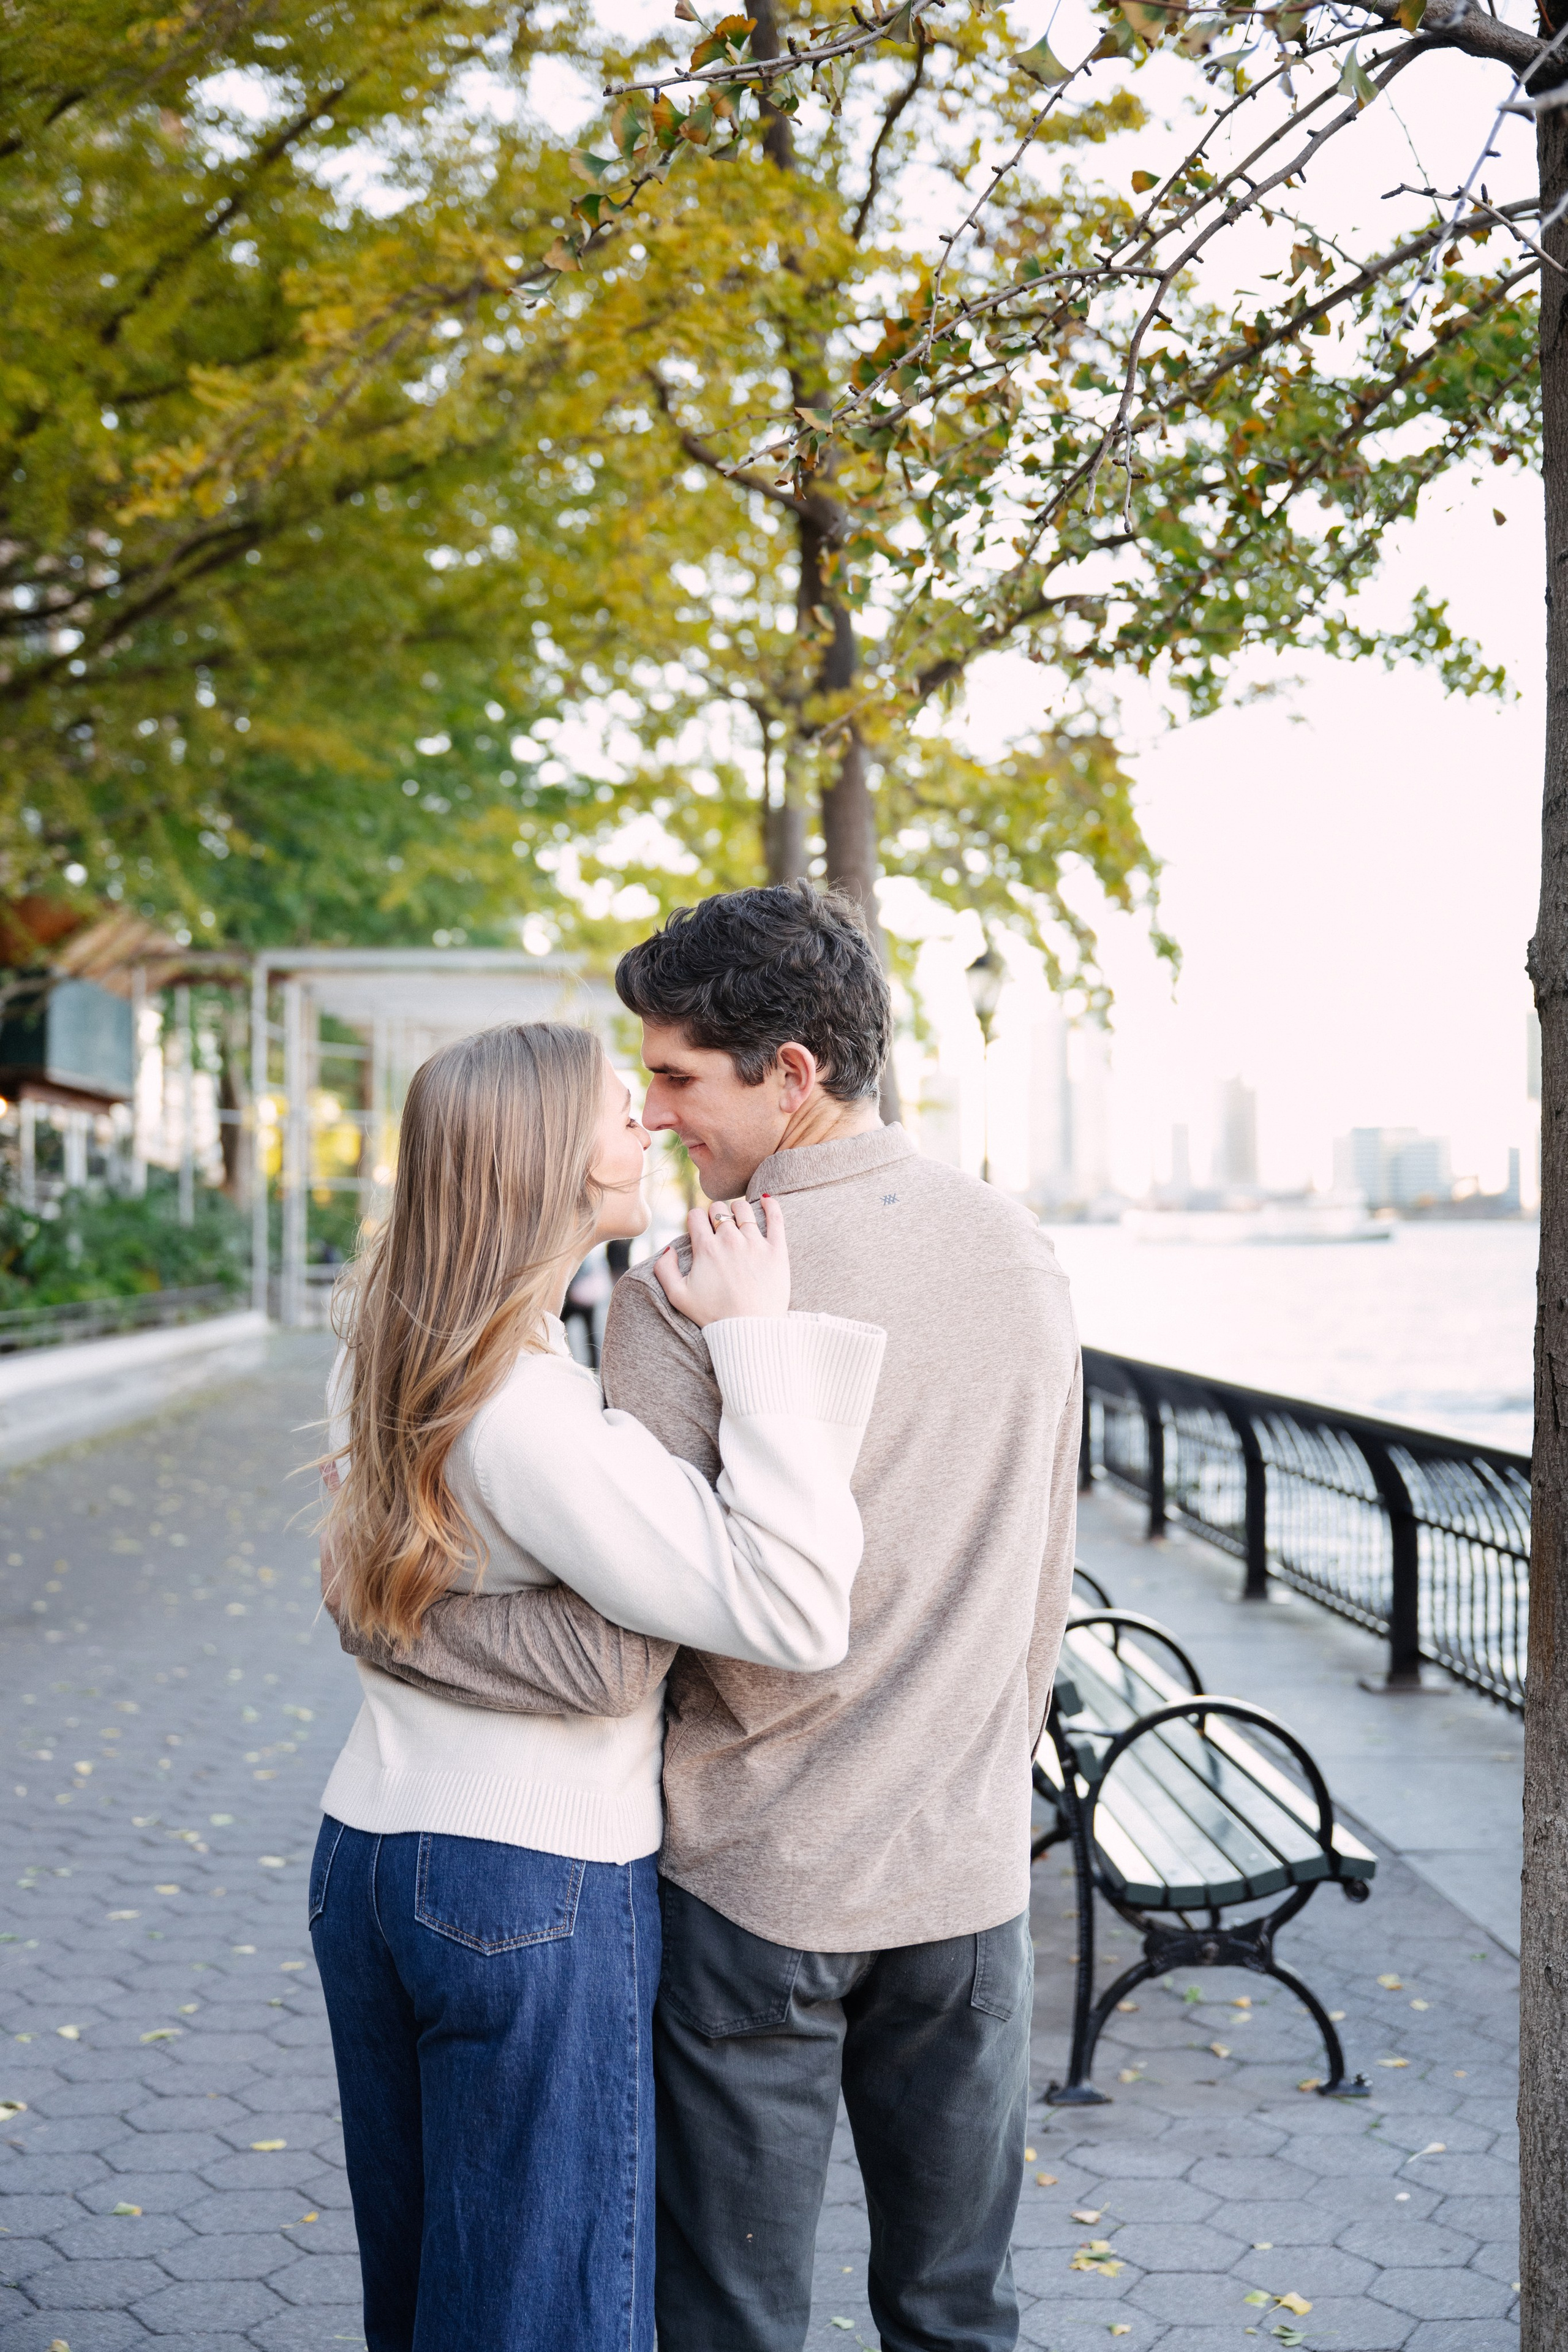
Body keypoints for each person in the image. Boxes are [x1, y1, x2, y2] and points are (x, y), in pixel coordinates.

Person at [337, 886, 1082, 2352]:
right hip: (969, 1868)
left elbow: (624, 1646)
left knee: (730, 2317)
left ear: (791, 1075)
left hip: (758, 1882)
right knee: (955, 2309)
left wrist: (393, 1618)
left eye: (675, 1079)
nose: (662, 1118)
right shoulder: (1019, 1254)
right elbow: (1041, 1554)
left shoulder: (683, 1289)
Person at [311, 1018, 886, 2352]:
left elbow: (376, 1589)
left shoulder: (384, 1352)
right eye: (623, 1111)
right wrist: (757, 1344)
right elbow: (795, 1610)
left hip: (373, 1865)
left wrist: (396, 1625)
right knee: (539, 2309)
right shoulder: (529, 1411)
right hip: (532, 1882)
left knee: (427, 2291)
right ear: (547, 1163)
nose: (654, 1131)